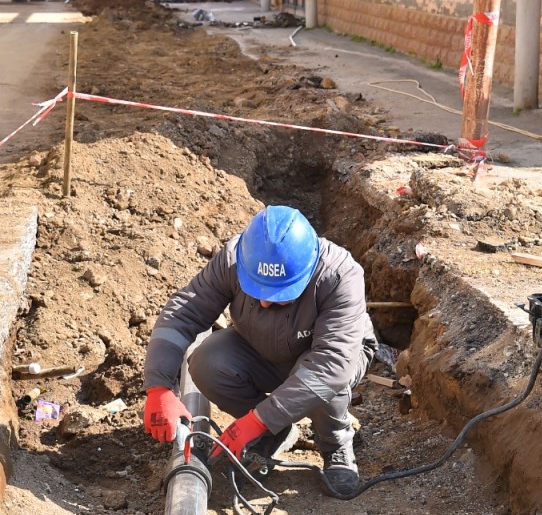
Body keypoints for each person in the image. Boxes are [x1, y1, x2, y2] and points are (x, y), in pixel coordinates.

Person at [142, 206, 376, 498]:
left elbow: (332, 365)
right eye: (258, 291)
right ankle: (274, 434)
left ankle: (335, 442)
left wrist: (258, 419)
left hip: (329, 358)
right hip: (261, 348)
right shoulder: (233, 259)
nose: (264, 304)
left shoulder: (339, 275)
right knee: (207, 361)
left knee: (321, 380)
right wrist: (159, 386)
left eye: (278, 296)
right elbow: (184, 312)